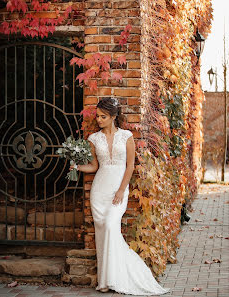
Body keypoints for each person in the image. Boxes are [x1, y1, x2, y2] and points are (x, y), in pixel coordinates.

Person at [73, 98, 170, 295]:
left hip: (118, 189)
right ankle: (105, 281)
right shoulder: (93, 139)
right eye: (98, 116)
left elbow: (130, 166)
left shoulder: (126, 137)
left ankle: (123, 276)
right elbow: (94, 166)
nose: (99, 120)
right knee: (102, 234)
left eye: (103, 116)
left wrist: (120, 190)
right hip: (99, 191)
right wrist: (75, 166)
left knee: (111, 226)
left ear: (114, 117)